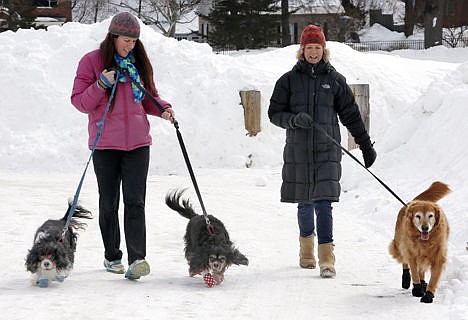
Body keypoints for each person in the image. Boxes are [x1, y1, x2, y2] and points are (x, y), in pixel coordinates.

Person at [71, 12, 175, 280]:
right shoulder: (91, 62)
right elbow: (80, 102)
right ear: (114, 36)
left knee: (135, 202)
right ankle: (112, 255)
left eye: (134, 41)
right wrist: (101, 83)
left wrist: (163, 109)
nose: (131, 46)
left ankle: (137, 258)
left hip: (138, 144)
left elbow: (149, 96)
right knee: (109, 203)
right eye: (127, 41)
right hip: (105, 144)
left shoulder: (137, 64)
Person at [268, 25, 377, 278]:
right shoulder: (288, 80)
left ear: (324, 50)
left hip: (327, 149)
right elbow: (274, 114)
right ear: (302, 50)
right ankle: (306, 252)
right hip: (299, 151)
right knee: (305, 203)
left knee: (324, 202)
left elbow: (351, 114)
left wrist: (366, 145)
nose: (313, 52)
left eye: (318, 48)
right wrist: (294, 120)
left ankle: (327, 258)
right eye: (309, 48)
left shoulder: (335, 80)